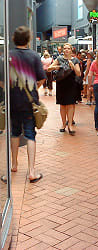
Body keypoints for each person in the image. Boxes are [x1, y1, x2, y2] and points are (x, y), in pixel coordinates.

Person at [4, 26, 46, 183]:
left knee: (14, 133)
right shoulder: (34, 56)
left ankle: (14, 165)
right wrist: (32, 89)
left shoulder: (7, 56)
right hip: (29, 102)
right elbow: (42, 79)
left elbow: (1, 82)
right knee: (30, 134)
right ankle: (32, 171)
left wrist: (10, 89)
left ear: (14, 39)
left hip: (12, 101)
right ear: (28, 39)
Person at [48, 43, 81, 135]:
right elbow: (49, 69)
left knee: (70, 104)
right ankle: (63, 124)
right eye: (65, 49)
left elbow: (78, 74)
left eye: (68, 49)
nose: (66, 50)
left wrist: (73, 66)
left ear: (71, 50)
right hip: (61, 84)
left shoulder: (75, 60)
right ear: (63, 50)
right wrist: (56, 66)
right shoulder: (59, 59)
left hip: (71, 84)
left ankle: (70, 124)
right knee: (62, 105)